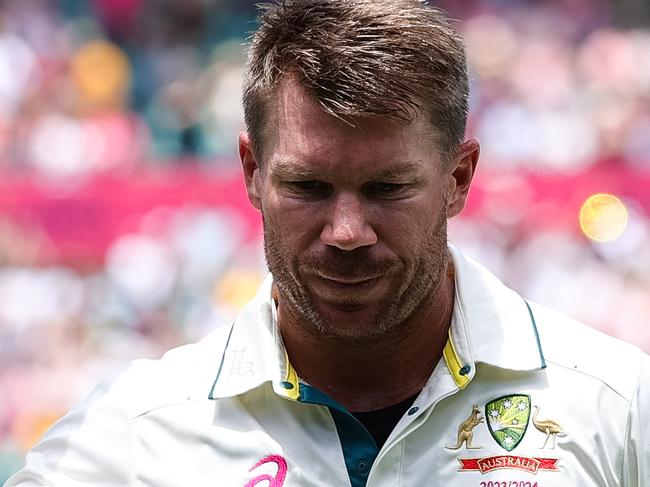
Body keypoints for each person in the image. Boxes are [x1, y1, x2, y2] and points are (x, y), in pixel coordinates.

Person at [6, 1, 649, 486]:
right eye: (308, 187)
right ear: (251, 173)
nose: (347, 233)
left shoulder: (616, 408)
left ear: (458, 179)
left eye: (386, 188)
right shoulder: (134, 438)